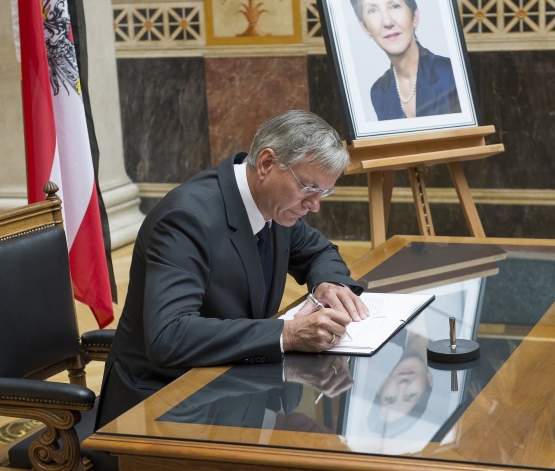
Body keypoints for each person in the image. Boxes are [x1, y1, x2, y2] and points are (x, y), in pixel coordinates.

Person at [96, 110, 369, 428]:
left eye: (323, 192)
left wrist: (329, 284)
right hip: (164, 406)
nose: (315, 205)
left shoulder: (276, 204)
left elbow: (320, 252)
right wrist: (288, 333)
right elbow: (169, 337)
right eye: (309, 188)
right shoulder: (186, 220)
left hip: (234, 388)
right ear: (267, 164)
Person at [346, 0, 461, 121]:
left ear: (414, 16)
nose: (387, 22)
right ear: (364, 27)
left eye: (394, 6)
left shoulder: (452, 73)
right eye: (373, 10)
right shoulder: (378, 92)